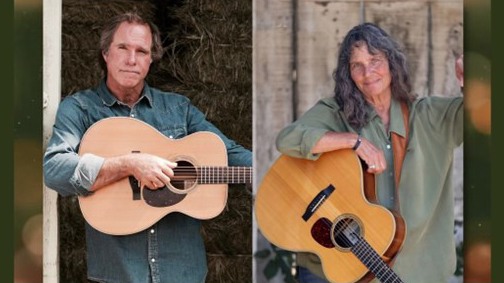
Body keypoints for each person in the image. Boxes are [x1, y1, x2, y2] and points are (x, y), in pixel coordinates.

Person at [43, 12, 252, 283]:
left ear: (151, 58)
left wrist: (272, 168)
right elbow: (54, 169)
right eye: (123, 48)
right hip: (118, 274)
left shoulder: (179, 109)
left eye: (141, 51)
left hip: (182, 272)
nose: (132, 60)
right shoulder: (80, 109)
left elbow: (230, 154)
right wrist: (128, 165)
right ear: (105, 53)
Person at [275, 23, 463, 283]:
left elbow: (483, 118)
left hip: (415, 272)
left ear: (392, 63)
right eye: (357, 65)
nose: (368, 72)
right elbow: (288, 139)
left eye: (375, 60)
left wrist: (474, 87)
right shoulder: (335, 112)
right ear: (348, 74)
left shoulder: (431, 116)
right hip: (335, 269)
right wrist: (352, 141)